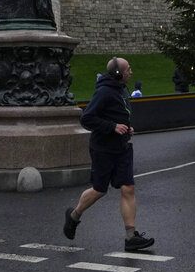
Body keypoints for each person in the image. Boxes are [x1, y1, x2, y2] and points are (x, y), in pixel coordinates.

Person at [63, 57, 154, 251]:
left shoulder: (121, 89)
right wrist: (112, 127)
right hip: (103, 150)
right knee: (99, 190)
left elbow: (118, 114)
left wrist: (126, 128)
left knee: (128, 188)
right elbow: (87, 118)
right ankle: (74, 215)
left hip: (122, 148)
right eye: (128, 69)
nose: (131, 72)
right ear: (118, 73)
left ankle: (131, 238)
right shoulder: (104, 92)